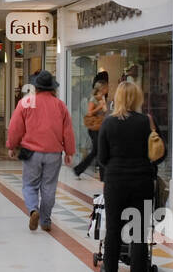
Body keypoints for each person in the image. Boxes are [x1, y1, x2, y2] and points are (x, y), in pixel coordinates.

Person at [95, 80, 161, 272]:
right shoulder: (146, 122)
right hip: (142, 182)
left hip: (116, 183)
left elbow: (102, 158)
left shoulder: (108, 123)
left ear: (118, 98)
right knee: (140, 233)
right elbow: (160, 152)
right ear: (137, 98)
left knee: (114, 229)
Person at [6, 70, 74, 232]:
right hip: (54, 153)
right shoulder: (60, 105)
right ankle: (46, 219)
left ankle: (33, 210)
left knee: (30, 185)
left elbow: (16, 127)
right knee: (48, 187)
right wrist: (69, 152)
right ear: (52, 88)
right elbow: (68, 131)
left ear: (36, 86)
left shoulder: (26, 102)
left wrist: (11, 146)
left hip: (32, 152)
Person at [72, 72, 109, 179]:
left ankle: (81, 170)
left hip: (100, 126)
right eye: (106, 88)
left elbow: (104, 112)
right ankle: (79, 169)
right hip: (94, 128)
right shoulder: (93, 99)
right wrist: (100, 107)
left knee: (99, 150)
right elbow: (89, 113)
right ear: (102, 88)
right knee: (97, 150)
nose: (107, 89)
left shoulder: (102, 98)